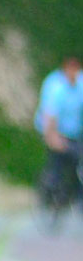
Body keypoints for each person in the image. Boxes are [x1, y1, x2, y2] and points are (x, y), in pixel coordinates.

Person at [35, 54, 83, 215]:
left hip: (73, 132)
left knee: (77, 161)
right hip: (52, 130)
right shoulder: (55, 86)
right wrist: (53, 138)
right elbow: (50, 115)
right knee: (57, 162)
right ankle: (49, 195)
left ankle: (76, 198)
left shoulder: (80, 84)